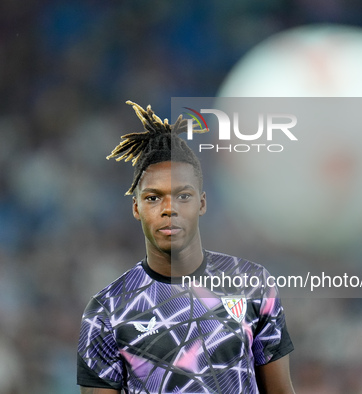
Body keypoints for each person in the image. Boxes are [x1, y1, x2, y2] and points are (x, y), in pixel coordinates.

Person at [77, 101, 295, 394]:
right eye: (154, 197)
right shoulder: (107, 310)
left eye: (183, 196)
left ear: (202, 203)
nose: (169, 209)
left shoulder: (253, 284)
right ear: (136, 207)